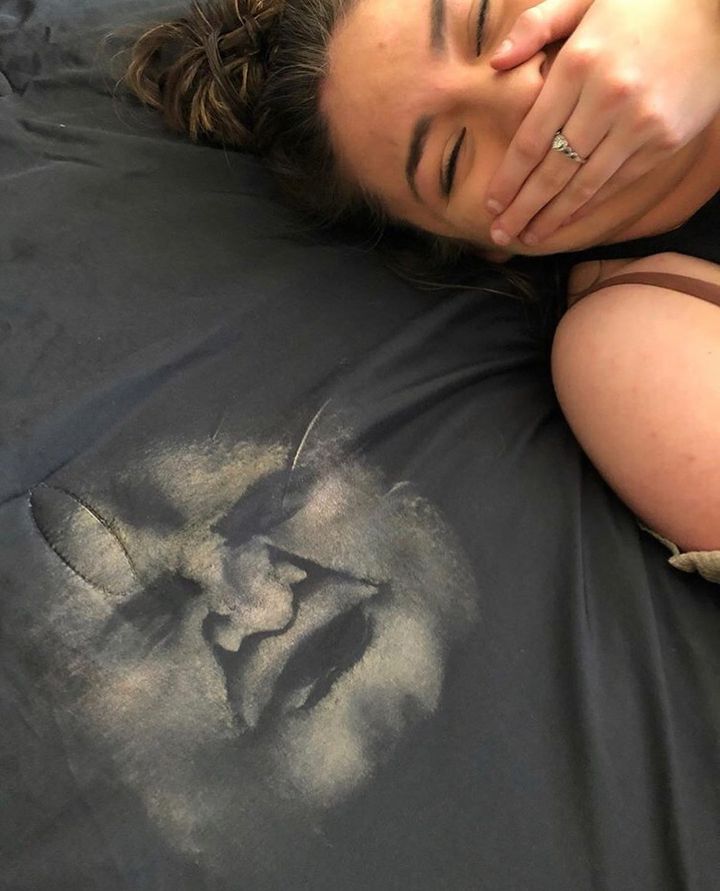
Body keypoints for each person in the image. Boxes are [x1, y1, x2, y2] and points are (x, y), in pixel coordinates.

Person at [119, 0, 720, 581]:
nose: (526, 96)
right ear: (481, 244)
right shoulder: (638, 344)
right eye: (453, 159)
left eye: (483, 21)